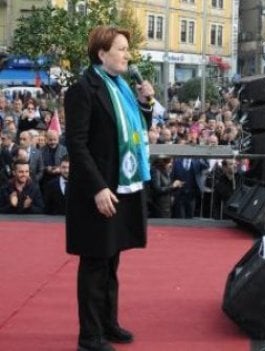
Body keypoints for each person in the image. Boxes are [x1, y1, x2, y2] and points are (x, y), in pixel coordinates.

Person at [64, 26, 154, 351]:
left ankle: (108, 323)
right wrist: (98, 188)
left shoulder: (123, 90)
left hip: (122, 186)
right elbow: (76, 144)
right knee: (94, 263)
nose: (127, 55)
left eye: (127, 49)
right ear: (102, 54)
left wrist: (145, 104)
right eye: (121, 49)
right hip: (97, 193)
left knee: (112, 259)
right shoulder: (83, 90)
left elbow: (137, 132)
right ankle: (89, 336)